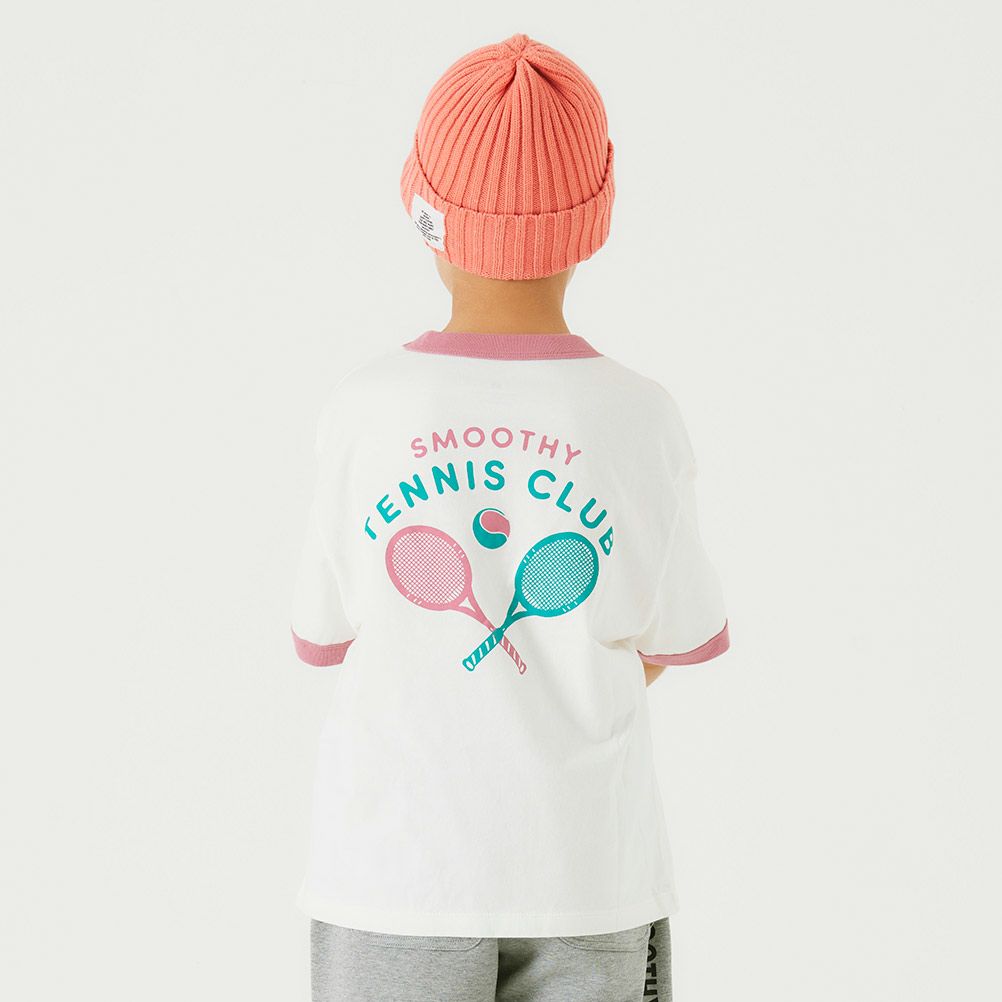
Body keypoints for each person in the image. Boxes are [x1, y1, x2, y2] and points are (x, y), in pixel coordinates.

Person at [290, 32, 730, 1002]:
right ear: (595, 218)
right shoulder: (640, 417)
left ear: (422, 209)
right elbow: (673, 638)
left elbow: (324, 636)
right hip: (587, 876)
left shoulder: (363, 410)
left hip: (393, 880)